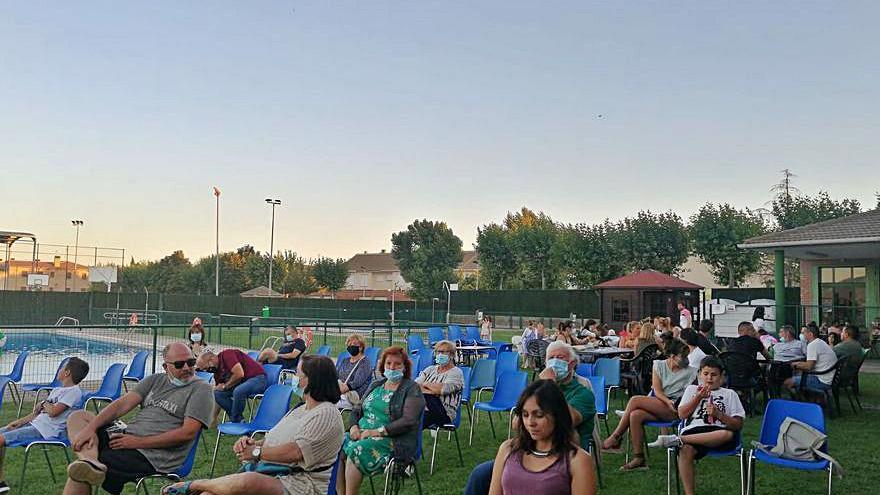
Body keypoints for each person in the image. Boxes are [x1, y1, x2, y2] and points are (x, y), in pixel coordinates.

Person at [162, 356, 345, 495]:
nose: (294, 378)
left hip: (300, 483)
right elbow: (273, 438)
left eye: (298, 374)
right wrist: (253, 444)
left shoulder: (326, 413)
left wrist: (256, 454)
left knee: (246, 482)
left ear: (311, 380)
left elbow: (296, 452)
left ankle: (194, 484)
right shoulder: (301, 408)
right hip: (276, 472)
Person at [62, 343, 212, 495]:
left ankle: (89, 463)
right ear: (166, 367)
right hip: (126, 438)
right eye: (180, 364)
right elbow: (121, 405)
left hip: (154, 455)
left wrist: (137, 442)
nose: (187, 368)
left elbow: (187, 433)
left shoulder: (201, 389)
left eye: (191, 362)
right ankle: (91, 462)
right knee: (78, 417)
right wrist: (90, 428)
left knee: (79, 472)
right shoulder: (155, 380)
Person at [649, 356, 745, 495]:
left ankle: (676, 439)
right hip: (694, 431)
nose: (709, 378)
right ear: (699, 374)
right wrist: (698, 397)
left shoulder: (730, 394)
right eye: (705, 374)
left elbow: (738, 425)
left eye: (714, 375)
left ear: (722, 377)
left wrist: (719, 415)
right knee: (685, 450)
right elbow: (681, 414)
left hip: (719, 434)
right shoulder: (692, 390)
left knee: (727, 434)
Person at [338, 346, 425, 495]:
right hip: (362, 433)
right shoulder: (376, 384)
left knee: (355, 450)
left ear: (405, 367)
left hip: (393, 440)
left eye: (398, 364)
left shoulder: (412, 388)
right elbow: (357, 409)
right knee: (338, 444)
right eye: (388, 363)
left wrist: (375, 432)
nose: (392, 367)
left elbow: (408, 421)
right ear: (383, 366)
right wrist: (353, 427)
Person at [601, 338, 697, 470]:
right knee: (635, 415)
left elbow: (689, 396)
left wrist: (671, 403)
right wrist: (666, 401)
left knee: (635, 400)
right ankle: (639, 458)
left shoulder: (691, 372)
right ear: (672, 356)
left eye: (687, 355)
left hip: (675, 409)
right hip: (662, 402)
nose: (686, 359)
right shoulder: (659, 365)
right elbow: (657, 391)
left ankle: (616, 437)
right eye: (683, 356)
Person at [487, 380, 595, 495]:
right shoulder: (508, 449)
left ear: (557, 415)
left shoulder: (577, 460)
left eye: (539, 415)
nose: (530, 422)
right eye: (525, 415)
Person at [0, 357, 89, 492]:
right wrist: (19, 422)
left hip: (46, 431)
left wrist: (44, 404)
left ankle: (1, 483)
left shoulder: (74, 392)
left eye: (62, 368)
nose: (59, 370)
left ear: (67, 373)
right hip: (35, 425)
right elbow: (37, 414)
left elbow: (53, 412)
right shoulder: (57, 390)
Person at [539, 342, 595, 450]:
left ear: (572, 364)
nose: (555, 362)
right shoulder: (538, 390)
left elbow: (567, 420)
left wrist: (550, 386)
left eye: (560, 357)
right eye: (551, 358)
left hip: (569, 452)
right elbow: (517, 423)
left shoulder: (583, 393)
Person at [197, 349, 267, 423]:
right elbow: (219, 391)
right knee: (217, 393)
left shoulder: (227, 355)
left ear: (211, 360)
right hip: (241, 384)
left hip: (258, 379)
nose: (206, 371)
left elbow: (239, 374)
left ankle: (235, 420)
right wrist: (213, 418)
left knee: (238, 391)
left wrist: (225, 386)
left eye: (205, 368)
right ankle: (239, 420)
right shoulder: (217, 372)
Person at [415, 340, 464, 428]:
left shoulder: (456, 372)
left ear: (452, 355)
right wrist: (432, 390)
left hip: (444, 413)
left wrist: (425, 385)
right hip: (424, 408)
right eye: (438, 352)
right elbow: (415, 386)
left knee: (426, 398)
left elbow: (442, 389)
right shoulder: (430, 369)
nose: (439, 354)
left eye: (443, 352)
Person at [785, 325, 837, 394]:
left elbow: (809, 366)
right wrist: (799, 364)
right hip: (828, 377)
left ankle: (802, 402)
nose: (802, 335)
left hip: (822, 381)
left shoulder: (812, 345)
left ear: (810, 334)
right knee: (798, 375)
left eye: (804, 333)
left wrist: (795, 365)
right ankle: (812, 399)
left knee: (787, 382)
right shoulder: (820, 342)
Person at [335, 334, 374, 411]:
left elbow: (356, 383)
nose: (351, 346)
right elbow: (336, 376)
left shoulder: (365, 363)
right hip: (340, 391)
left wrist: (338, 390)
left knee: (328, 403)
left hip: (353, 396)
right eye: (349, 344)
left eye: (354, 344)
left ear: (361, 347)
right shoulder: (345, 361)